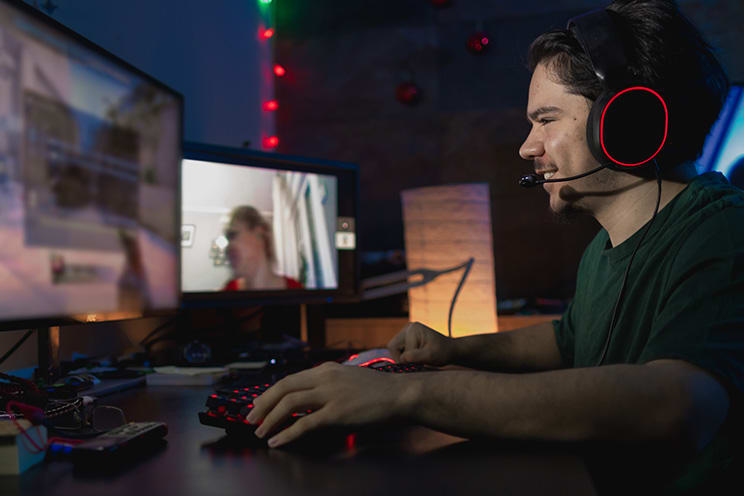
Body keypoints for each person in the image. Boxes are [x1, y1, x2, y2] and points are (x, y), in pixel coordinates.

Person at [245, 1, 741, 492]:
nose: (527, 147)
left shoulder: (722, 231)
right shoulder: (604, 250)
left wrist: (407, 393)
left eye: (545, 119)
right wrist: (454, 350)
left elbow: (677, 402)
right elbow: (567, 340)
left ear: (628, 123)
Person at [222, 205, 302, 290]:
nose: (227, 249)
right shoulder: (226, 293)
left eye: (232, 235)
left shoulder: (296, 290)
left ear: (259, 232)